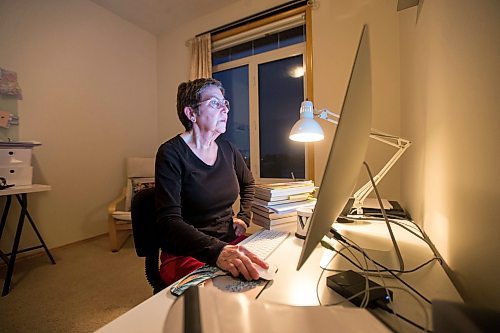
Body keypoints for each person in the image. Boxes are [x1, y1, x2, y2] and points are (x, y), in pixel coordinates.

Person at [155, 78, 268, 286]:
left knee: (266, 270)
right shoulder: (170, 153)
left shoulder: (228, 149)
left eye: (225, 103)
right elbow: (168, 221)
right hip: (187, 251)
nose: (225, 109)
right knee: (223, 295)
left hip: (228, 242)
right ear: (191, 113)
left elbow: (248, 183)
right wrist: (218, 251)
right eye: (215, 103)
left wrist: (244, 217)